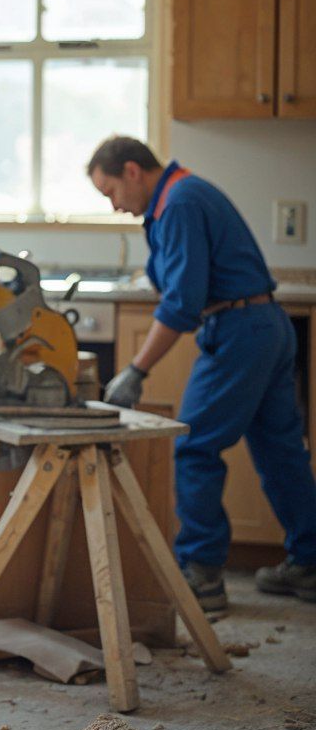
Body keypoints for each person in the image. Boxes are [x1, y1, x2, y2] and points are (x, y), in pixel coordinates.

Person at [87, 135, 316, 613]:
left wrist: (136, 369)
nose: (114, 206)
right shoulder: (181, 195)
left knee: (194, 447)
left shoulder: (180, 204)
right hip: (265, 325)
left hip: (239, 332)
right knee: (280, 452)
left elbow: (182, 304)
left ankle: (202, 576)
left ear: (132, 171)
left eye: (110, 192)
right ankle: (310, 563)